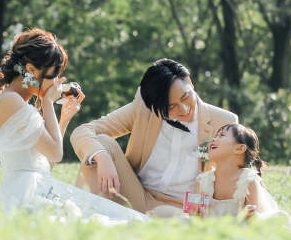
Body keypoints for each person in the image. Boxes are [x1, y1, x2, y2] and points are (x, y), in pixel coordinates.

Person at [0, 29, 150, 224]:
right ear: (31, 70)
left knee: (119, 216)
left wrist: (63, 120)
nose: (57, 82)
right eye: (54, 75)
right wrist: (47, 103)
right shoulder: (11, 101)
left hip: (38, 187)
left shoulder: (19, 103)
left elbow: (46, 164)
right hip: (23, 192)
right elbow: (56, 153)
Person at [71, 58, 237, 215]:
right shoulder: (145, 108)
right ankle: (78, 218)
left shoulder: (224, 122)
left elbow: (232, 174)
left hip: (181, 207)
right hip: (135, 194)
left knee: (172, 217)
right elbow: (85, 130)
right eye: (171, 106)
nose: (184, 109)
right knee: (101, 143)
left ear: (190, 82)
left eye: (185, 97)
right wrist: (102, 157)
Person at [194, 123, 291, 223]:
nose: (213, 139)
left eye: (222, 135)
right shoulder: (203, 181)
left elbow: (251, 222)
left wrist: (253, 214)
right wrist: (197, 214)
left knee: (279, 219)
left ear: (239, 149)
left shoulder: (247, 181)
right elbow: (196, 217)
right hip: (212, 228)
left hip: (241, 227)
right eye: (215, 136)